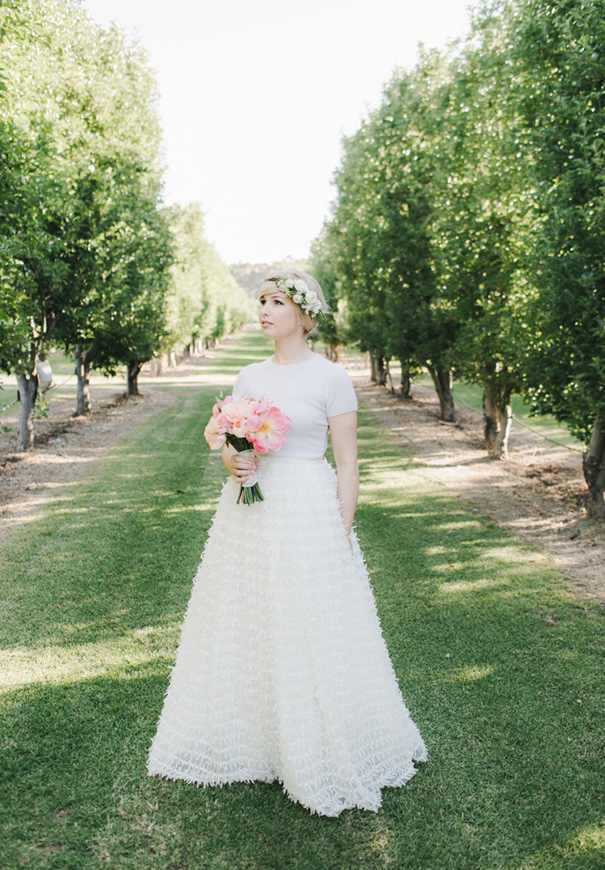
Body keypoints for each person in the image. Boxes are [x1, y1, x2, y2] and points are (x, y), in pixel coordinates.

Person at [147, 269, 427, 816]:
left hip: (307, 506)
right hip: (250, 506)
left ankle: (314, 740)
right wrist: (235, 460)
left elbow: (348, 465)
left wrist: (340, 531)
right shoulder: (250, 375)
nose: (266, 310)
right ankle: (254, 739)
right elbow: (230, 449)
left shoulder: (331, 379)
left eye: (277, 301)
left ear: (303, 314)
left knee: (308, 618)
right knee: (250, 613)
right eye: (262, 301)